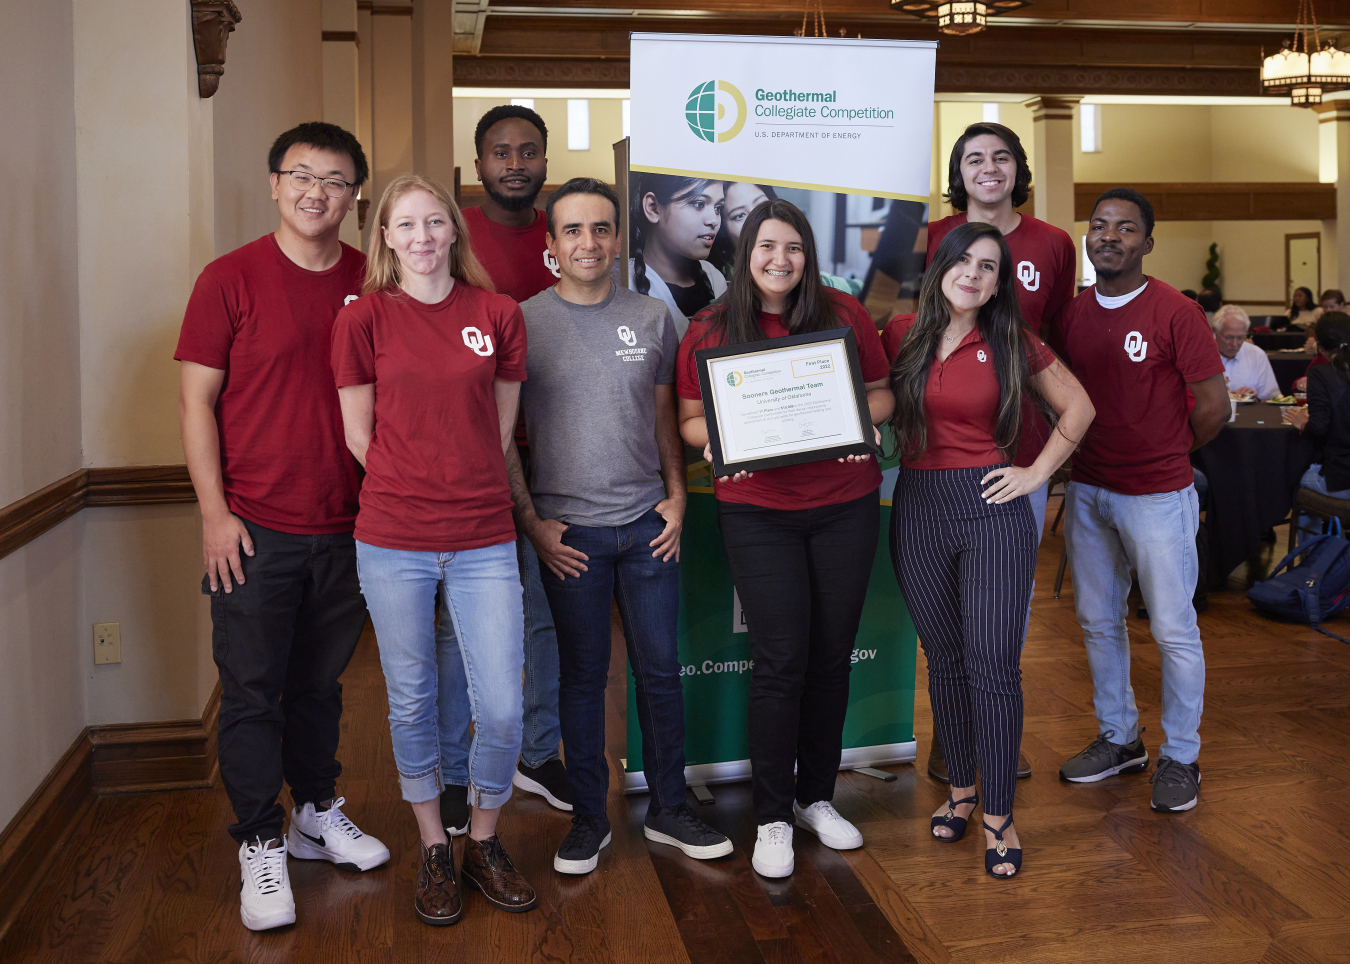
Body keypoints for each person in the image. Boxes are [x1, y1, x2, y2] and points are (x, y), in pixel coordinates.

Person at [176, 122, 390, 932]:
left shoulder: (376, 280)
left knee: (318, 686)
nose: (316, 192)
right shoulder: (228, 279)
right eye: (301, 175)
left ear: (353, 196)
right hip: (253, 529)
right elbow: (196, 401)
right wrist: (214, 515)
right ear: (274, 184)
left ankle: (315, 812)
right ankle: (260, 840)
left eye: (335, 180)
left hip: (352, 525)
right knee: (254, 693)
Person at [506, 177, 732, 875]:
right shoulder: (522, 321)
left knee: (660, 674)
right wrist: (534, 523)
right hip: (566, 535)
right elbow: (501, 438)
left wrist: (677, 496)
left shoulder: (654, 318)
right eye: (572, 230)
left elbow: (665, 417)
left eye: (601, 229)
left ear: (618, 238)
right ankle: (588, 820)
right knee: (580, 680)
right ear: (551, 245)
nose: (588, 242)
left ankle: (669, 808)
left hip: (646, 528)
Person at [332, 173, 536, 925]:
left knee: (504, 708)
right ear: (383, 238)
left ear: (455, 231)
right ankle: (434, 849)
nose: (421, 237)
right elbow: (360, 436)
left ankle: (483, 839)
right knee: (413, 700)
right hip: (393, 540)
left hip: (484, 537)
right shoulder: (361, 320)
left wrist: (463, 486)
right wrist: (415, 486)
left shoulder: (497, 313)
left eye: (434, 223)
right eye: (404, 225)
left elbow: (499, 430)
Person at [676, 199, 895, 879]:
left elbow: (883, 392)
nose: (780, 260)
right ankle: (772, 817)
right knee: (780, 659)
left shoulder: (845, 313)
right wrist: (713, 441)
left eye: (794, 248)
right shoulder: (710, 328)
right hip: (758, 512)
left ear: (808, 255)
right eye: (767, 247)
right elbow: (687, 418)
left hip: (844, 507)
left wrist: (865, 421)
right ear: (747, 254)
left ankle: (815, 799)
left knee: (831, 657)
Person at [889, 221, 1094, 878]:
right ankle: (961, 793)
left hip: (993, 511)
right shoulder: (899, 336)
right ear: (940, 266)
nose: (974, 273)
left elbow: (1080, 409)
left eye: (989, 266)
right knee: (945, 661)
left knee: (994, 666)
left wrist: (1036, 475)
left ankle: (999, 815)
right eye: (964, 261)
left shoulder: (1012, 340)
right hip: (917, 506)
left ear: (1000, 282)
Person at [1051, 188, 1229, 814]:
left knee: (1175, 630)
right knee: (1099, 623)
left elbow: (1214, 407)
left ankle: (1182, 755)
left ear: (1147, 243)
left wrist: (1164, 453)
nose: (1109, 236)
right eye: (1099, 226)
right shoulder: (1073, 313)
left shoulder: (1175, 311)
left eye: (1125, 229)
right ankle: (1120, 738)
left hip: (1156, 495)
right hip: (1090, 490)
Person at [922, 121, 1077, 785]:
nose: (990, 168)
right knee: (942, 618)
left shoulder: (1054, 243)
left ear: (1019, 169)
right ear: (959, 171)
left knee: (1000, 618)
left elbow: (1061, 340)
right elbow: (907, 337)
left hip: (1018, 455)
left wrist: (1047, 467)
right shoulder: (928, 239)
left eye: (1003, 157)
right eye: (974, 158)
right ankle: (952, 744)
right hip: (934, 450)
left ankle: (997, 737)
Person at [437, 103, 571, 837]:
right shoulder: (454, 235)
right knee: (469, 626)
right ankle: (455, 769)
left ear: (543, 161)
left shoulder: (567, 232)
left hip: (564, 457)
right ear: (480, 161)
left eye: (527, 152)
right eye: (500, 153)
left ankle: (540, 751)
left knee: (547, 620)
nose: (514, 163)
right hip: (481, 461)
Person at [711, 181, 860, 296]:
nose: (757, 220)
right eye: (739, 215)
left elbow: (860, 288)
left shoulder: (809, 274)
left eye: (762, 205)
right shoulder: (716, 284)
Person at [630, 172, 727, 336]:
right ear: (653, 208)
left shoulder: (714, 277)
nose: (714, 220)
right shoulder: (626, 284)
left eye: (718, 208)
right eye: (698, 204)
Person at [1283, 311, 1350, 507]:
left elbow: (1319, 427)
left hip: (1342, 477)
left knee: (1293, 478)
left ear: (1320, 344)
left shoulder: (1321, 374)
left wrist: (1303, 424)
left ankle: (1315, 538)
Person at [1213, 304, 1280, 400]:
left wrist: (1253, 397)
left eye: (1240, 338)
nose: (1235, 344)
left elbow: (1272, 398)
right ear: (1215, 332)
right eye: (1229, 337)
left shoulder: (1257, 355)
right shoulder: (1199, 354)